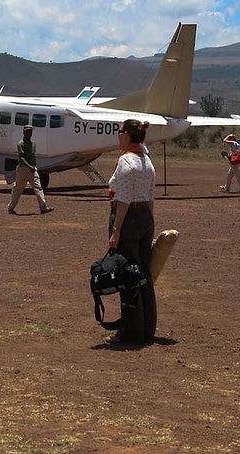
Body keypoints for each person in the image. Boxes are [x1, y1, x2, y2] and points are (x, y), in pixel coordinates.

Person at [106, 119, 156, 344]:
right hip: (145, 216)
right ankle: (147, 327)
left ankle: (131, 330)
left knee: (128, 274)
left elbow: (123, 199)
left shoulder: (126, 161)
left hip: (130, 218)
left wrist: (116, 231)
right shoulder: (146, 161)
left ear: (126, 135)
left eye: (119, 132)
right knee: (144, 273)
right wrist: (150, 224)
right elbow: (151, 197)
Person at [7, 125, 54, 215]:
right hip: (23, 169)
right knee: (18, 188)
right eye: (27, 131)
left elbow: (32, 156)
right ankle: (10, 207)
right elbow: (22, 158)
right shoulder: (21, 144)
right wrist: (30, 167)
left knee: (38, 188)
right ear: (24, 132)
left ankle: (43, 207)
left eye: (30, 131)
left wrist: (34, 166)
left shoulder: (33, 144)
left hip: (32, 169)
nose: (29, 133)